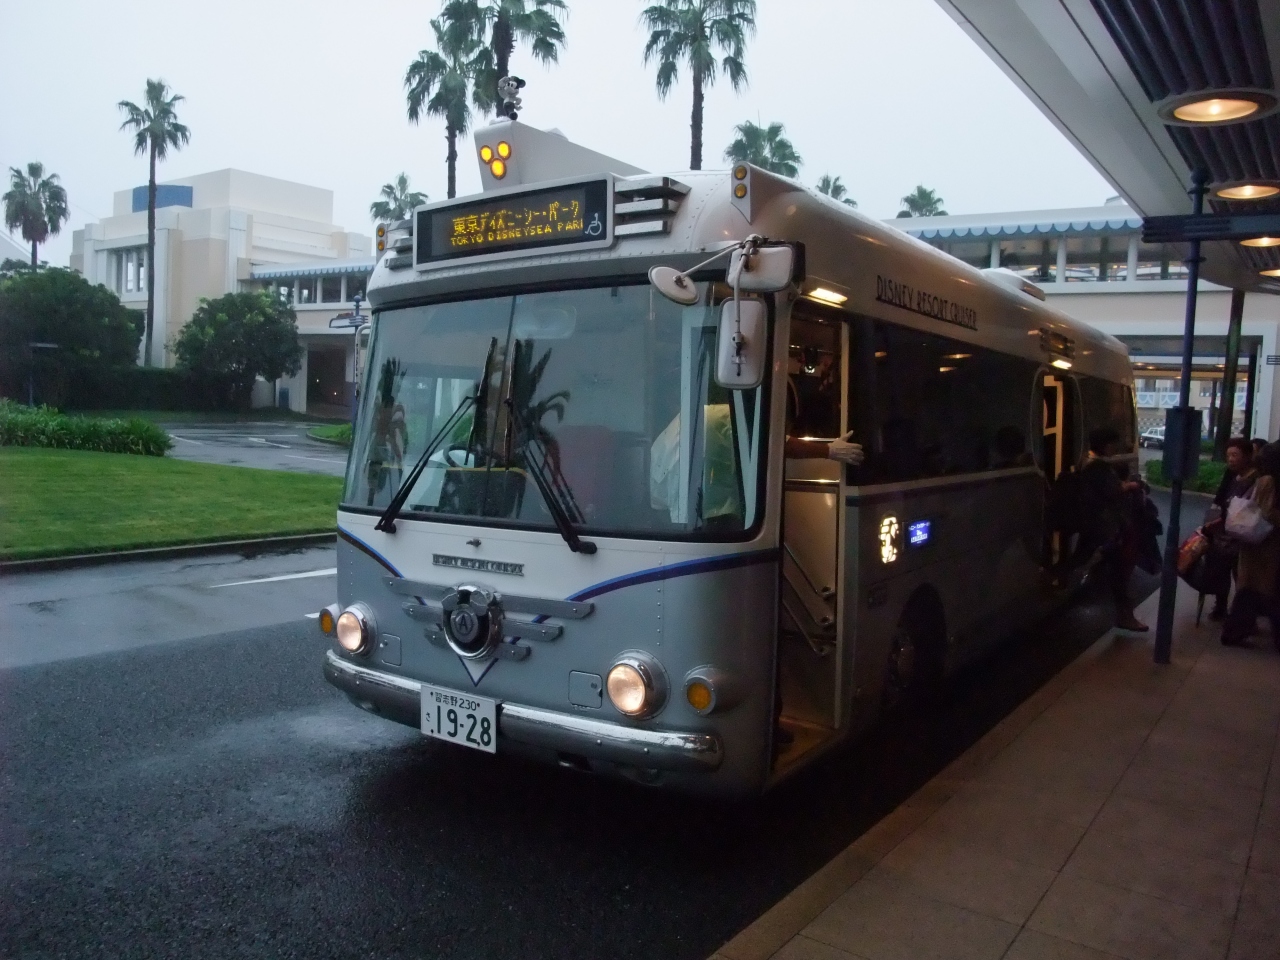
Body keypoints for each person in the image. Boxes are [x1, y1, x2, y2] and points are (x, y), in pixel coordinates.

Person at [1076, 426, 1147, 631]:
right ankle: (1126, 617)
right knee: (1119, 572)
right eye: (1113, 444)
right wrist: (1130, 486)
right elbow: (1113, 490)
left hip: (1096, 524)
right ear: (1106, 445)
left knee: (1090, 560)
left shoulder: (1086, 462)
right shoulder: (1097, 466)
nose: (1115, 448)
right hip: (1106, 526)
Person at [1220, 441, 1280, 649]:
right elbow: (1266, 514)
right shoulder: (1268, 482)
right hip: (1265, 546)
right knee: (1263, 592)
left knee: (1251, 591)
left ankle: (1235, 631)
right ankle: (1235, 631)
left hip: (1257, 546)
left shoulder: (1265, 480)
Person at [1204, 438, 1257, 620]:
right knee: (1221, 569)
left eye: (1235, 455)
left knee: (1241, 576)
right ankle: (1221, 606)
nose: (1231, 459)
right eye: (1228, 455)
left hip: (1245, 535)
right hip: (1227, 532)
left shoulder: (1256, 479)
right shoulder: (1231, 476)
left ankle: (1244, 615)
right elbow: (1222, 499)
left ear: (1248, 456)